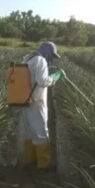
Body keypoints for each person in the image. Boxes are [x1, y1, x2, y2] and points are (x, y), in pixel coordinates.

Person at [17, 41, 65, 170]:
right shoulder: (41, 61)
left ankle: (29, 159)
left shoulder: (28, 58)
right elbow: (42, 81)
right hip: (36, 101)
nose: (52, 59)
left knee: (28, 131)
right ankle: (43, 164)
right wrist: (54, 77)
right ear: (48, 52)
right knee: (41, 131)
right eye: (52, 55)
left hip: (25, 99)